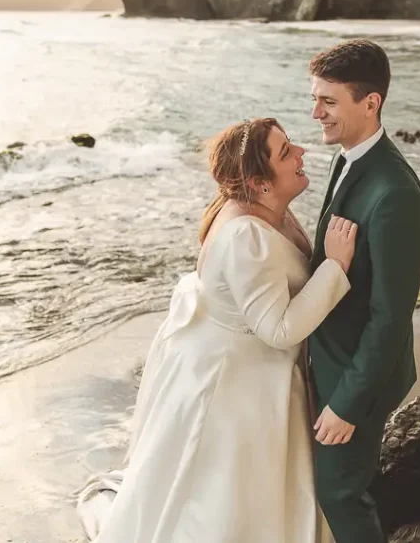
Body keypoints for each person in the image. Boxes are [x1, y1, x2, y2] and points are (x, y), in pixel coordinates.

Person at [77, 117, 358, 543]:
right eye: (286, 152)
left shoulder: (263, 209)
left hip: (245, 368)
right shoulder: (245, 236)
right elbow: (278, 330)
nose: (300, 152)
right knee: (220, 496)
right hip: (235, 383)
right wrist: (336, 267)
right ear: (259, 182)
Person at [306, 39, 420, 543]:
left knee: (340, 494)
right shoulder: (350, 158)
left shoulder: (395, 193)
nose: (315, 112)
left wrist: (348, 404)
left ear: (371, 103)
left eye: (328, 101)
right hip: (333, 359)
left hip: (358, 376)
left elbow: (391, 316)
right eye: (314, 98)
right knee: (342, 487)